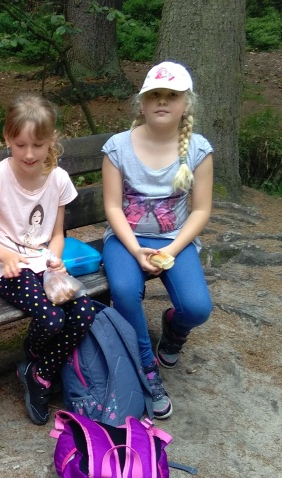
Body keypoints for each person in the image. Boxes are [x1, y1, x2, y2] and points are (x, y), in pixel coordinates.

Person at [0, 93, 96, 426]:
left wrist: (56, 259)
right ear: (8, 138)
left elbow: (57, 233)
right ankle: (40, 363)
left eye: (37, 145)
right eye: (21, 144)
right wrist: (5, 255)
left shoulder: (58, 179)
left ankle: (39, 372)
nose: (28, 154)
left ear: (51, 140)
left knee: (84, 311)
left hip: (43, 265)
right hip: (6, 269)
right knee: (52, 320)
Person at [101, 61, 214, 419]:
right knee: (123, 292)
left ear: (186, 104)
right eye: (154, 95)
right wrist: (135, 250)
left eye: (171, 95)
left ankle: (174, 330)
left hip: (174, 239)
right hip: (126, 239)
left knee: (197, 308)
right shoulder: (118, 147)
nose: (162, 101)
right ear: (142, 103)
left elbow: (201, 210)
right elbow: (112, 206)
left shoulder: (198, 150)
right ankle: (146, 368)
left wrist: (171, 250)